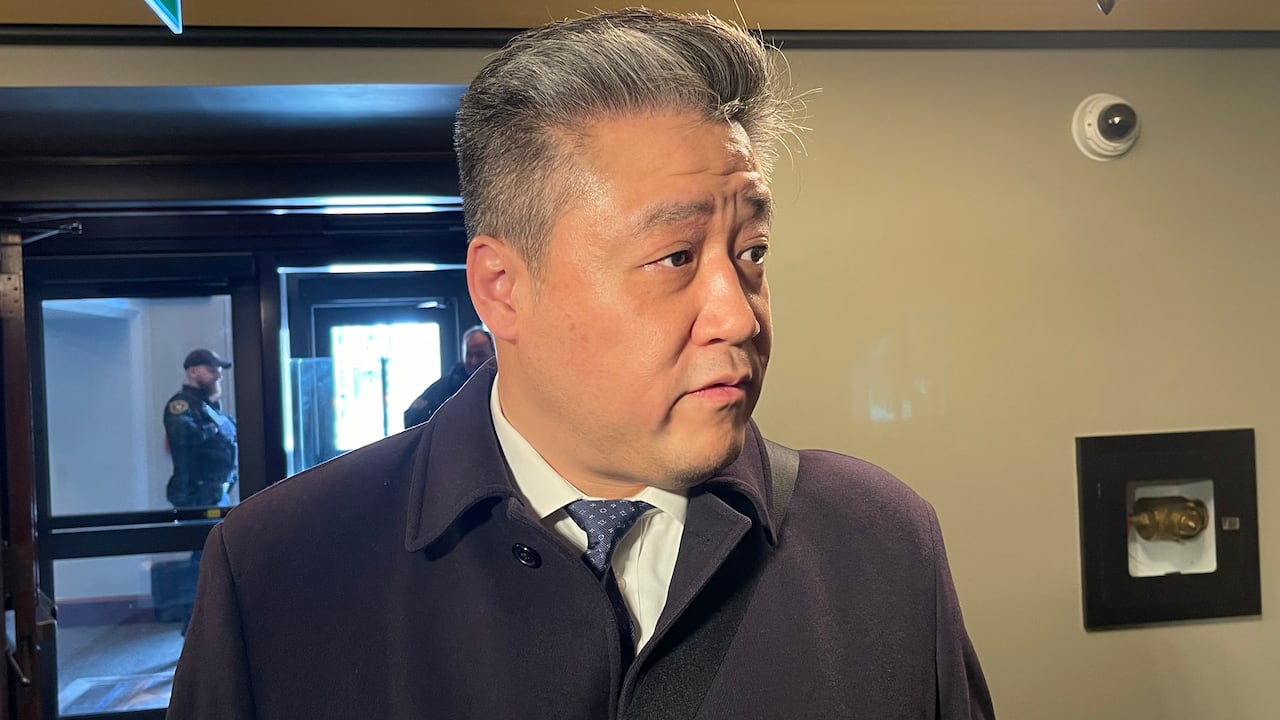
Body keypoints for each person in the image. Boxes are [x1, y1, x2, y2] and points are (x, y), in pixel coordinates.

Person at [168, 9, 994, 719]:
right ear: (503, 289)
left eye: (752, 252)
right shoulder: (281, 568)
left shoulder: (881, 544)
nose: (740, 315)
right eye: (674, 257)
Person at [164, 348, 237, 508]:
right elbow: (182, 435)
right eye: (212, 371)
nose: (218, 377)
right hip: (195, 496)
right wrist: (214, 429)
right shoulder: (182, 404)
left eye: (219, 371)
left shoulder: (210, 409)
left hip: (217, 494)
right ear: (193, 372)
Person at [402, 325, 495, 427]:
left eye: (480, 354)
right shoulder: (443, 388)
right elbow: (411, 420)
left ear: (493, 354)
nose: (474, 360)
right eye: (469, 355)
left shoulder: (501, 385)